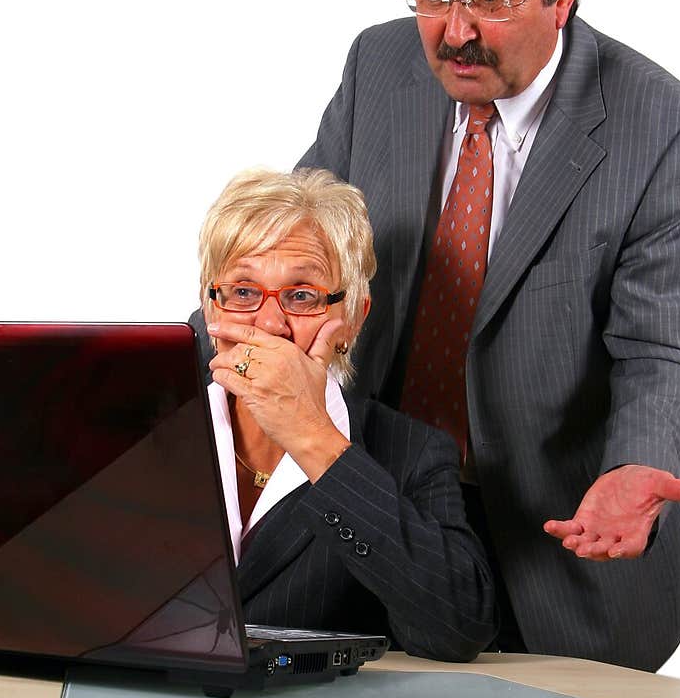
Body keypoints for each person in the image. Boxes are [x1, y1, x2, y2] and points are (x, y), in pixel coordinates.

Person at [289, 0, 680, 673]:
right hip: (378, 516)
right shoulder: (378, 66)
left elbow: (662, 348)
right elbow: (302, 242)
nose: (455, 31)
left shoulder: (662, 127)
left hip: (559, 547)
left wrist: (640, 466)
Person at [196, 164, 497, 662]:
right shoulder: (144, 429)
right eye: (244, 291)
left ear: (353, 317)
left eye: (301, 296)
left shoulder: (413, 453)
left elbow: (458, 628)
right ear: (211, 309)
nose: (270, 323)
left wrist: (314, 439)